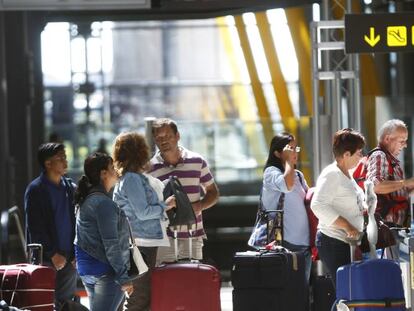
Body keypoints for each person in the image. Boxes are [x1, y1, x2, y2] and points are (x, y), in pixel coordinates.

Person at [112, 132, 175, 311]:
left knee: (141, 296)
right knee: (139, 298)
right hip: (140, 243)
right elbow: (144, 212)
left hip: (141, 242)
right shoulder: (132, 179)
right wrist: (165, 205)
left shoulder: (128, 178)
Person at [148, 118, 220, 264]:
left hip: (193, 233)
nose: (163, 141)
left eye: (167, 136)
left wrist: (198, 206)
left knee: (192, 282)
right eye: (159, 137)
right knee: (167, 282)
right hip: (164, 237)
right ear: (155, 140)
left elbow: (213, 192)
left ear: (177, 136)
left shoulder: (197, 161)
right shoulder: (149, 168)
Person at [248, 132, 312, 282]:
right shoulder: (271, 173)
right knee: (285, 292)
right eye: (290, 149)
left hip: (304, 244)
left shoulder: (298, 175)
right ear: (277, 153)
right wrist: (289, 162)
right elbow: (287, 186)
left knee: (301, 292)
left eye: (296, 149)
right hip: (282, 243)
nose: (294, 153)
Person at [74, 153, 134, 311]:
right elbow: (111, 243)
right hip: (105, 271)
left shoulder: (86, 200)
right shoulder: (103, 203)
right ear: (103, 173)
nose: (116, 171)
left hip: (87, 268)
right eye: (112, 167)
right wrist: (123, 276)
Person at [24, 143, 77, 309]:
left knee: (66, 304)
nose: (65, 161)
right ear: (48, 164)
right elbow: (35, 227)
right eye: (60, 158)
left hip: (69, 258)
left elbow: (77, 221)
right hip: (46, 258)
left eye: (65, 157)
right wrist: (53, 254)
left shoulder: (70, 188)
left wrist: (77, 252)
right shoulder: (36, 190)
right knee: (45, 303)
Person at [311, 128, 366, 286]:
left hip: (346, 243)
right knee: (345, 291)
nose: (361, 157)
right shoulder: (332, 174)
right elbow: (318, 205)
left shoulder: (347, 174)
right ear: (347, 154)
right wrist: (347, 226)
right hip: (333, 241)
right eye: (359, 153)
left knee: (350, 291)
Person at [364, 119, 414, 259]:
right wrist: (405, 183)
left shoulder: (391, 160)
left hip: (395, 230)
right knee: (392, 271)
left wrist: (409, 188)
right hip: (387, 231)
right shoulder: (379, 156)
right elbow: (376, 186)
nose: (404, 146)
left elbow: (395, 192)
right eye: (402, 141)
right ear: (387, 139)